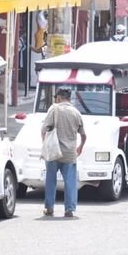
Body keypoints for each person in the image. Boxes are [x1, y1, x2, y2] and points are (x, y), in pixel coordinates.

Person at [41, 88, 86, 218]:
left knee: (50, 180)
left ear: (59, 98)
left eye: (56, 98)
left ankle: (49, 208)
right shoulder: (76, 113)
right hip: (69, 154)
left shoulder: (53, 109)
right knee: (70, 181)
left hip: (54, 152)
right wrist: (80, 147)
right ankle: (69, 209)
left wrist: (45, 145)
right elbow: (84, 135)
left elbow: (44, 130)